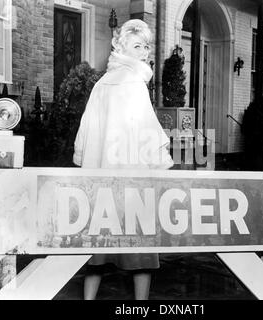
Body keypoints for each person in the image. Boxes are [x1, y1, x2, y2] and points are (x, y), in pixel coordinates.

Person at [73, 19, 174, 300]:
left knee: (95, 249)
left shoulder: (101, 84)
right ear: (121, 47)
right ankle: (140, 305)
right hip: (132, 179)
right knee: (139, 247)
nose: (144, 52)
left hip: (100, 179)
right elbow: (148, 132)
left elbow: (84, 132)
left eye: (146, 46)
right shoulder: (135, 84)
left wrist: (85, 161)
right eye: (137, 46)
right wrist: (162, 164)